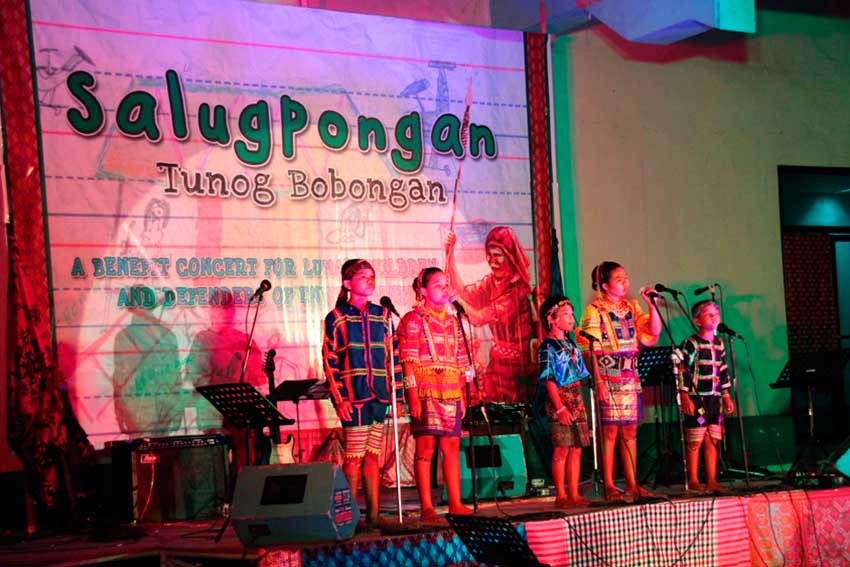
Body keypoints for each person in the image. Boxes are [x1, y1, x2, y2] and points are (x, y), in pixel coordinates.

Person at [322, 259, 402, 528]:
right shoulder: (336, 317)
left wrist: (397, 396)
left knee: (373, 456)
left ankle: (374, 515)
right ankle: (350, 516)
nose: (370, 280)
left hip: (378, 395)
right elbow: (329, 359)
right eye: (363, 276)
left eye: (372, 276)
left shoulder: (382, 315)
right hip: (353, 396)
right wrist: (339, 398)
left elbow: (394, 356)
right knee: (353, 457)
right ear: (347, 283)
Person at [576, 261, 661, 501]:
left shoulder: (632, 307)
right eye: (619, 279)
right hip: (608, 373)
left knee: (631, 430)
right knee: (610, 431)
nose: (625, 282)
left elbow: (652, 334)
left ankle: (633, 484)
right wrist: (599, 382)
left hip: (630, 374)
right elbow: (590, 349)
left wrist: (651, 305)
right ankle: (609, 484)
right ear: (604, 285)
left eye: (626, 277)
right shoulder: (593, 310)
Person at [398, 267, 473, 522]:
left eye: (446, 283)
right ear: (423, 291)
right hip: (425, 388)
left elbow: (461, 361)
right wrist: (411, 396)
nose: (444, 288)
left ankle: (455, 502)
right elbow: (407, 361)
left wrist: (462, 395)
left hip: (451, 389)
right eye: (438, 284)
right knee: (426, 447)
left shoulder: (455, 322)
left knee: (452, 446)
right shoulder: (413, 319)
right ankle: (427, 507)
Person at [445, 226, 536, 403]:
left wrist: (455, 299)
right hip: (496, 364)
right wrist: (450, 253)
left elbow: (478, 318)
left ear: (509, 256)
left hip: (516, 370)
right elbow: (464, 293)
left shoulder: (517, 291)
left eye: (498, 255)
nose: (492, 261)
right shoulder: (492, 281)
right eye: (489, 254)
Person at [537, 295, 591, 507]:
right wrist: (559, 407)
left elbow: (579, 374)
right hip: (560, 400)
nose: (571, 318)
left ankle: (574, 493)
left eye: (572, 313)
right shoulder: (547, 346)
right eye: (566, 314)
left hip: (576, 398)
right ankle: (560, 495)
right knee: (562, 448)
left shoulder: (571, 343)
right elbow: (549, 379)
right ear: (551, 318)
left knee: (576, 448)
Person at [678, 300, 735, 493]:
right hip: (697, 397)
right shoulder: (691, 343)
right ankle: (693, 479)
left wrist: (726, 395)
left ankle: (711, 479)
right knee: (696, 439)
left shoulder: (719, 344)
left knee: (713, 438)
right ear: (697, 320)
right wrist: (684, 395)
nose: (714, 317)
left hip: (714, 398)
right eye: (708, 314)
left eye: (716, 313)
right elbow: (682, 369)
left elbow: (723, 370)